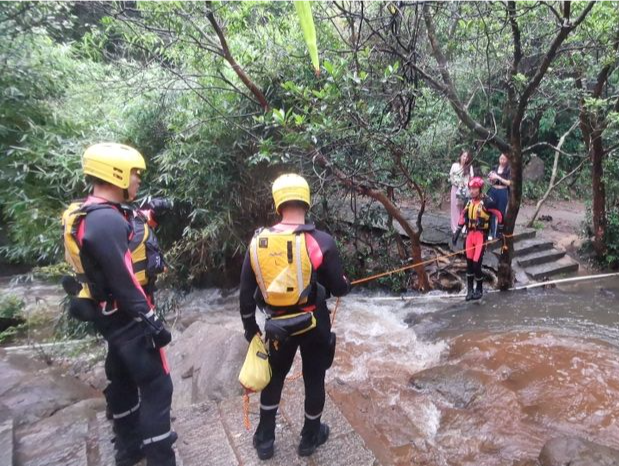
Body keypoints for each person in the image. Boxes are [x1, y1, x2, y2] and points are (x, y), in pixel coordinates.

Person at [62, 143, 176, 466]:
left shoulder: (95, 212)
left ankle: (129, 448)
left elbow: (130, 226)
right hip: (128, 316)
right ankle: (160, 456)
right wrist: (150, 318)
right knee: (158, 386)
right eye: (135, 174)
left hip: (110, 317)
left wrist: (151, 211)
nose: (137, 180)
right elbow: (124, 278)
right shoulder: (105, 223)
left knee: (122, 377)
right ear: (117, 174)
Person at [239, 173, 351, 460]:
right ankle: (310, 437)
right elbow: (339, 287)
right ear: (306, 200)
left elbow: (246, 292)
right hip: (314, 322)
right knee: (314, 379)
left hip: (276, 326)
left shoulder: (258, 242)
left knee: (274, 378)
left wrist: (251, 329)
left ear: (278, 203)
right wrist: (344, 283)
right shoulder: (320, 241)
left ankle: (265, 439)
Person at [452, 177, 503, 301]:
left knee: (476, 265)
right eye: (471, 188)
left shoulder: (487, 202)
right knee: (469, 264)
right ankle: (470, 291)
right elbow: (463, 217)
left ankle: (479, 289)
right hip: (470, 235)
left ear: (480, 189)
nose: (472, 191)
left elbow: (499, 214)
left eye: (474, 188)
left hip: (481, 236)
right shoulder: (468, 202)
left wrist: (499, 231)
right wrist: (457, 232)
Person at [449, 150, 474, 234]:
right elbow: (451, 177)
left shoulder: (469, 167)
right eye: (463, 156)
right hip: (455, 188)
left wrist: (466, 184)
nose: (465, 158)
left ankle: (463, 226)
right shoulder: (455, 165)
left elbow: (471, 179)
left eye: (467, 157)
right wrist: (456, 183)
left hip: (464, 190)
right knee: (455, 208)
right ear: (460, 156)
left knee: (463, 208)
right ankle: (455, 227)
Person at [487, 152, 511, 219]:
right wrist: (490, 178)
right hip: (493, 190)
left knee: (501, 212)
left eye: (504, 159)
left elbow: (509, 183)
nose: (502, 161)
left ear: (507, 160)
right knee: (491, 210)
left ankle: (499, 228)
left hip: (502, 191)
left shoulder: (509, 169)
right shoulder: (495, 167)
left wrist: (498, 177)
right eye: (501, 158)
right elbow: (490, 180)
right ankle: (492, 228)